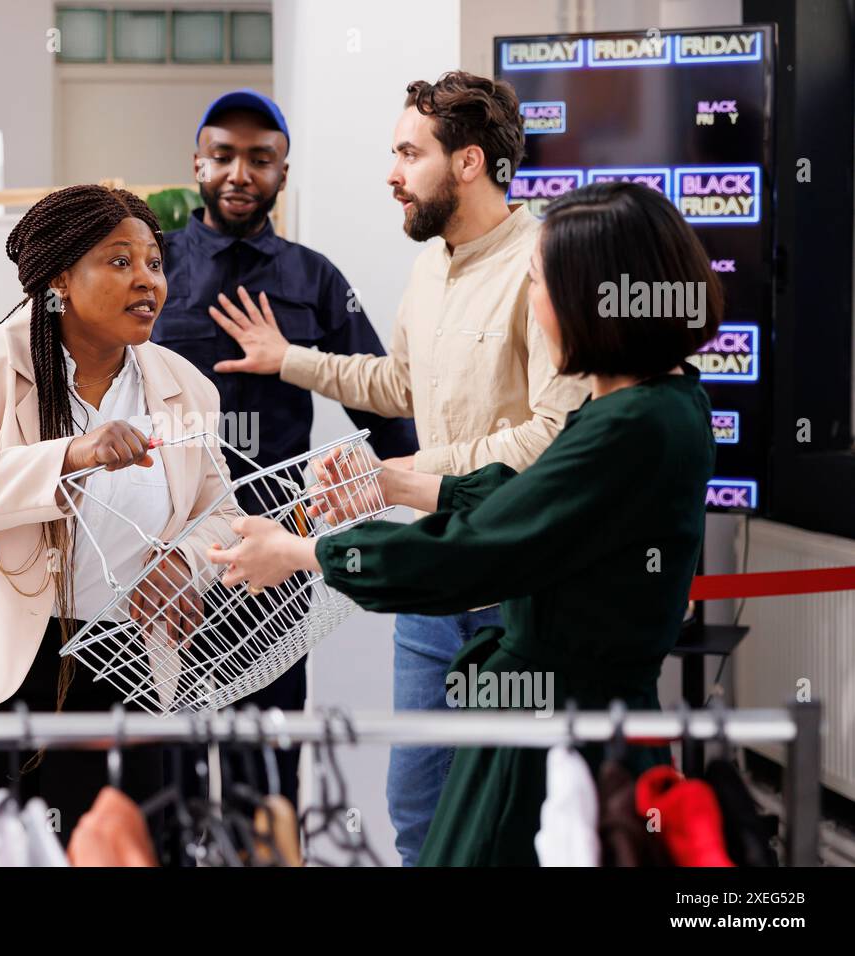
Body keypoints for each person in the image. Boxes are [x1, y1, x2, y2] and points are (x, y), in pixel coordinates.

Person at [205, 180, 721, 866]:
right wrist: (396, 483)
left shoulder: (631, 424)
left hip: (558, 732)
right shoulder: (659, 401)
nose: (535, 312)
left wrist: (304, 552)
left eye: (539, 285)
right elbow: (531, 500)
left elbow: (477, 552)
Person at [204, 72, 590, 862]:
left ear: (470, 162)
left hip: (515, 591)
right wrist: (290, 361)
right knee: (416, 815)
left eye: (409, 154)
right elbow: (398, 385)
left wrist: (403, 474)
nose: (392, 174)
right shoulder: (433, 265)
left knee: (506, 826)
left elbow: (550, 437)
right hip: (431, 589)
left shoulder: (542, 264)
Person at [0, 185, 240, 847]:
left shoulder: (186, 387)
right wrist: (69, 455)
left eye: (154, 263)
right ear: (59, 282)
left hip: (123, 659)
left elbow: (218, 512)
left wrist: (188, 564)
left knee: (121, 851)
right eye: (118, 262)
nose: (146, 280)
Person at [154, 89, 418, 805]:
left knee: (264, 773)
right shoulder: (153, 265)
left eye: (260, 159)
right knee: (159, 779)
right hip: (158, 556)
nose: (240, 172)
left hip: (274, 549)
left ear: (282, 173)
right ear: (198, 163)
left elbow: (385, 406)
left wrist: (439, 495)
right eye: (224, 155)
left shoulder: (315, 278)